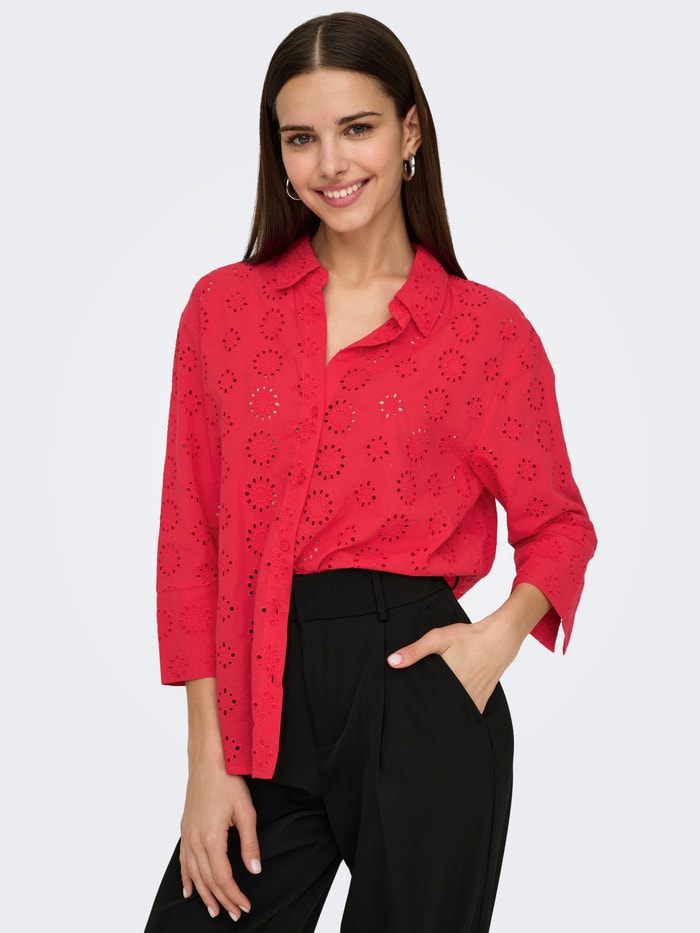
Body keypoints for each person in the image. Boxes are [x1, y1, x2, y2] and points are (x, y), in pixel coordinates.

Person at [143, 11, 597, 932]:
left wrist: (493, 643)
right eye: (300, 138)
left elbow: (559, 526)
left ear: (410, 131)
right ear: (278, 153)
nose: (330, 163)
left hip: (420, 691)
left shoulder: (484, 331)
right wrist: (206, 763)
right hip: (259, 704)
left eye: (358, 128)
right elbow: (193, 541)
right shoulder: (223, 310)